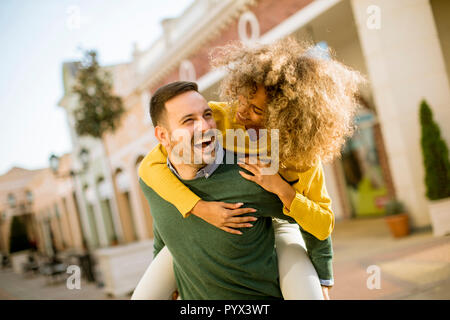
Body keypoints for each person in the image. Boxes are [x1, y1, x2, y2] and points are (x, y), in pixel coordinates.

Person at [135, 38, 365, 300]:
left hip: (281, 221)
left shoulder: (300, 156)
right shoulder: (220, 117)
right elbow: (152, 166)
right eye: (242, 98)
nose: (242, 112)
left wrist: (323, 274)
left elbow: (321, 224)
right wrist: (200, 207)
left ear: (286, 116)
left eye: (256, 109)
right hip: (209, 223)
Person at [134, 81, 320, 299]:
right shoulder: (154, 181)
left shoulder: (250, 173)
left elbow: (311, 220)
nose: (204, 126)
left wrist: (324, 275)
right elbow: (164, 231)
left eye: (206, 115)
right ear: (163, 136)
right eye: (188, 121)